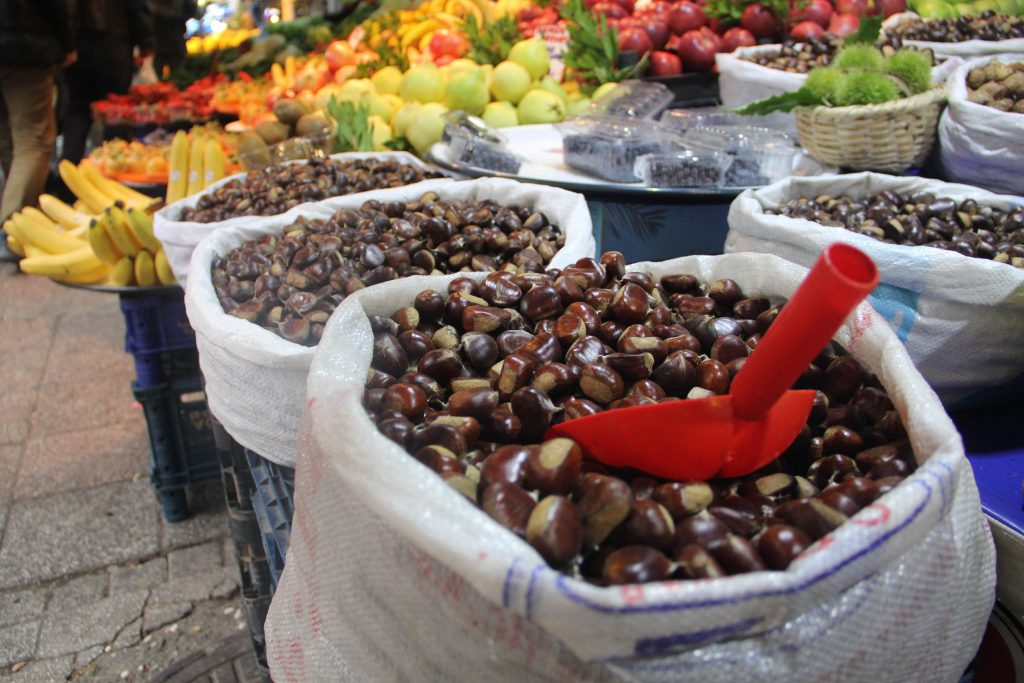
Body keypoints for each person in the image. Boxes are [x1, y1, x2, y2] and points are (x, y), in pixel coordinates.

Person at [0, 0, 77, 262]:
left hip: (17, 44)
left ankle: (24, 215)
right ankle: (11, 227)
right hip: (22, 48)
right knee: (34, 140)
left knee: (8, 136)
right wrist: (67, 43)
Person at [62, 0, 154, 165]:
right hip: (114, 42)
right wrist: (145, 44)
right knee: (116, 111)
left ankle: (69, 168)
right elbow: (138, 7)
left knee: (78, 110)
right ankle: (115, 166)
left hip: (79, 44)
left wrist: (66, 44)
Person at [151, 0, 200, 79]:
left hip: (159, 43)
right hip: (174, 42)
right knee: (177, 75)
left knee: (159, 77)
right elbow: (195, 12)